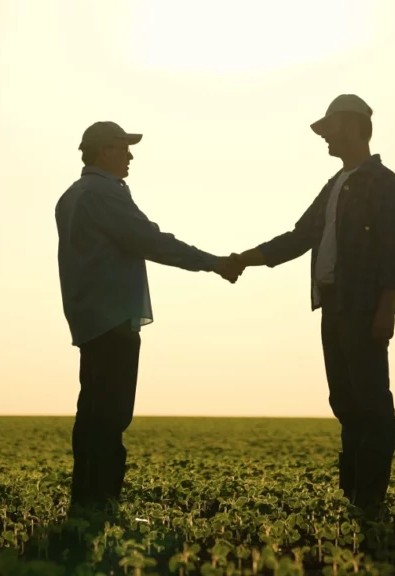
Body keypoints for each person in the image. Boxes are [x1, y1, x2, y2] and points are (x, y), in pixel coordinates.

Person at [230, 94, 395, 511]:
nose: (324, 138)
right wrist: (246, 259)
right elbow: (300, 236)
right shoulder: (336, 184)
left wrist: (387, 309)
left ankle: (369, 499)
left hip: (365, 306)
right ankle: (353, 493)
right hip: (333, 303)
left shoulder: (384, 183)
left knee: (371, 401)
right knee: (345, 401)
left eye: (328, 129)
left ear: (349, 127)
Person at [55, 121, 243, 514]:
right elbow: (152, 241)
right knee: (111, 415)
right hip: (113, 318)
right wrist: (213, 263)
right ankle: (101, 505)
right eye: (124, 148)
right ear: (105, 150)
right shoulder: (103, 193)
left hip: (88, 317)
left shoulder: (72, 196)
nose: (130, 156)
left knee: (90, 412)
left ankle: (83, 502)